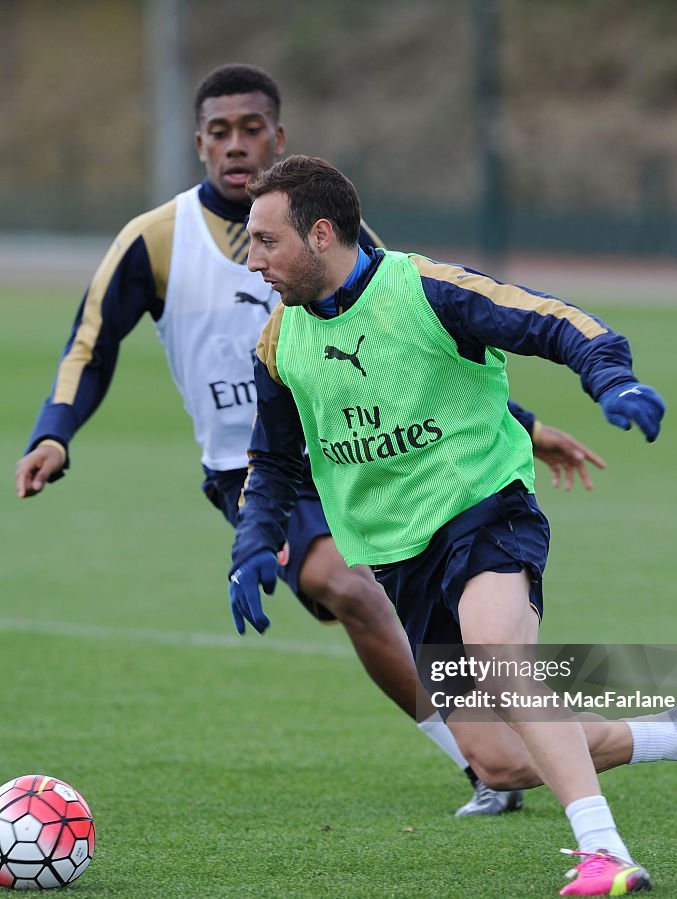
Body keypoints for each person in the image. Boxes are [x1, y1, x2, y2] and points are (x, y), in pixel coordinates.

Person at [13, 62, 606, 817]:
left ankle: (536, 746)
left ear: (278, 135)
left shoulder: (332, 234)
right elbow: (89, 344)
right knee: (349, 588)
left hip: (361, 458)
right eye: (220, 132)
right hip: (257, 470)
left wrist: (528, 426)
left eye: (251, 128)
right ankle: (476, 758)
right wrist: (55, 434)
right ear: (198, 143)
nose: (236, 144)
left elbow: (419, 361)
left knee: (457, 616)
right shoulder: (155, 240)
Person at [228, 155, 677, 896]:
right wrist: (254, 542)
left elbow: (553, 320)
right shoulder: (278, 343)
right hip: (400, 553)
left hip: (485, 509)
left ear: (321, 234)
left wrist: (612, 376)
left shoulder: (424, 289)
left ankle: (605, 853)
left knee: (499, 654)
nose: (253, 261)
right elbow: (274, 461)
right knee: (503, 763)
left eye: (264, 241)